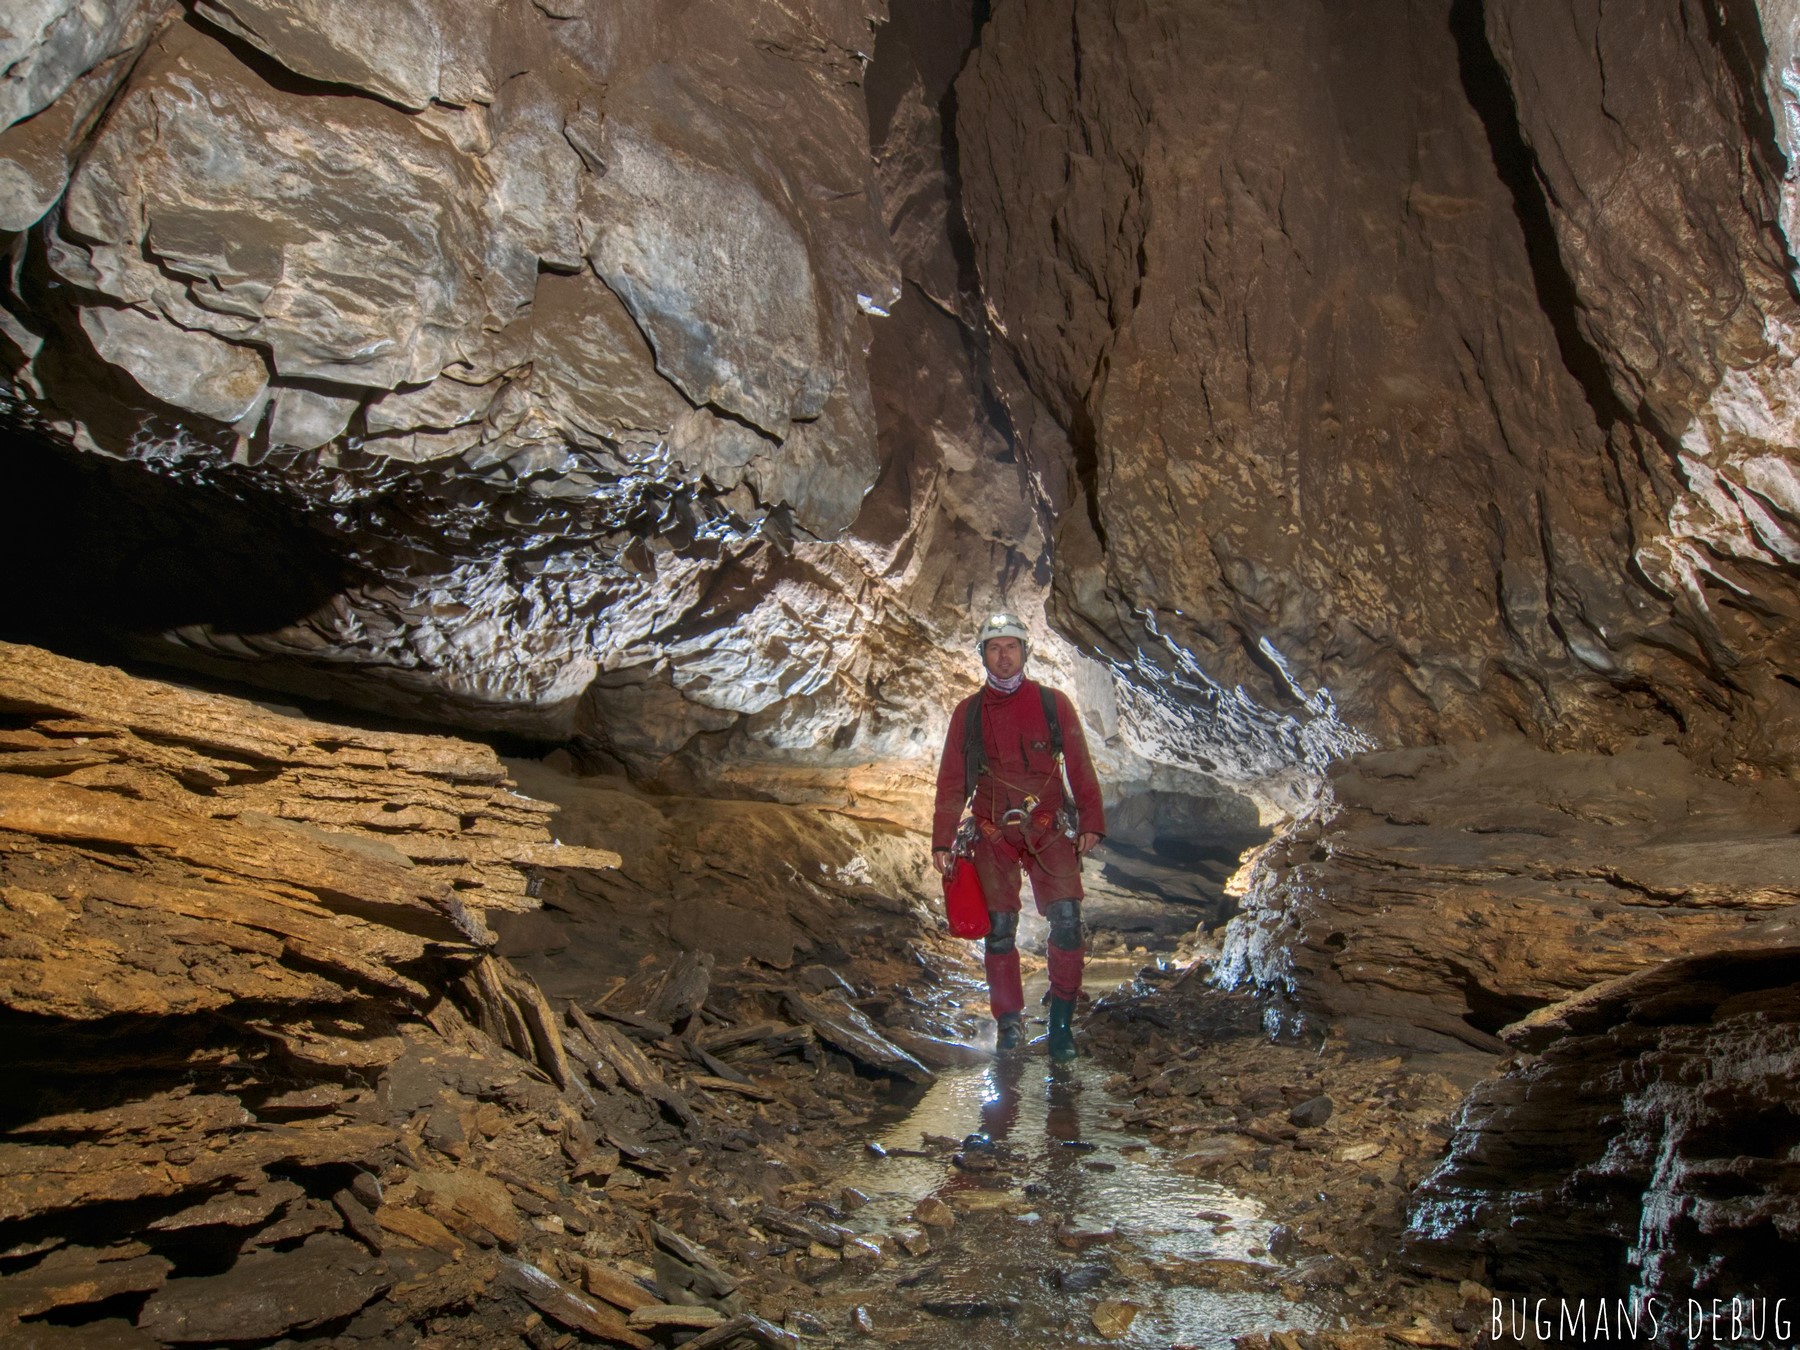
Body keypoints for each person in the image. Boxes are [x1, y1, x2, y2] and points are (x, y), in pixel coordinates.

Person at [931, 613, 1105, 1060]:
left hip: (1048, 827)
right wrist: (942, 839)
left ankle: (1061, 1025)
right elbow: (952, 781)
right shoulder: (968, 713)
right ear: (983, 655)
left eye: (1011, 647)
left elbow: (1080, 766)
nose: (1003, 656)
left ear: (1025, 652)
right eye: (994, 647)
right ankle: (1009, 1025)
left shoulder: (1053, 705)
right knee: (1001, 929)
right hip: (992, 832)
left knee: (1067, 918)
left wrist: (1090, 822)